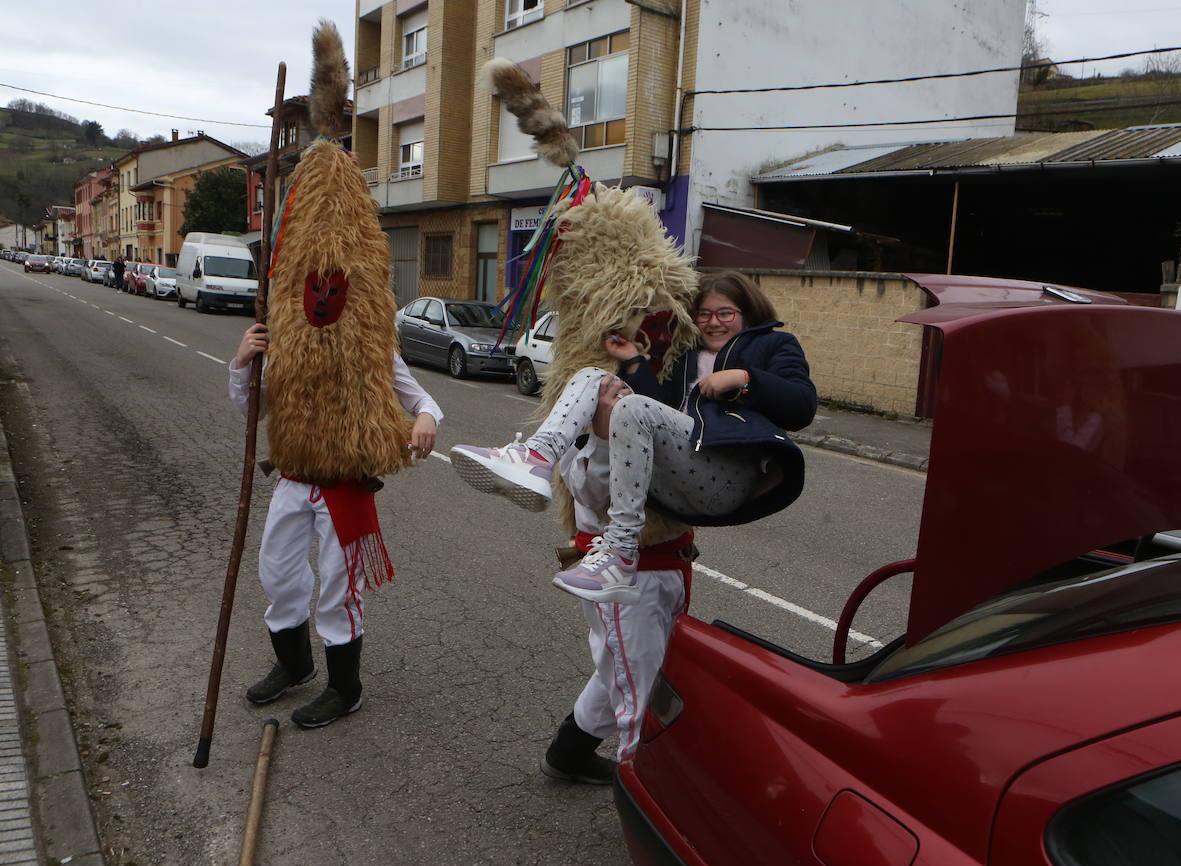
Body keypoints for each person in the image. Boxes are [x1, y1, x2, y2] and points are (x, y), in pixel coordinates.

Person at [452, 270, 816, 605]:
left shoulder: (773, 344)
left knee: (631, 408)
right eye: (704, 314)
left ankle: (621, 553)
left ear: (747, 312)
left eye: (725, 313)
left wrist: (744, 378)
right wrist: (631, 361)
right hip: (682, 467)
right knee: (597, 377)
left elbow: (802, 406)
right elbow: (658, 407)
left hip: (729, 474)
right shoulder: (689, 354)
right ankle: (537, 457)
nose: (713, 322)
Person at [229, 321, 441, 728]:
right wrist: (242, 362)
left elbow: (421, 399)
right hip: (293, 478)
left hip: (345, 490)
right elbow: (251, 412)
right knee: (277, 574)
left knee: (340, 589)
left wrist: (426, 418)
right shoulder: (285, 345)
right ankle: (295, 665)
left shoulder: (373, 347)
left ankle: (345, 691)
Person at [540, 375, 693, 783]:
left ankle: (568, 754)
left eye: (624, 387)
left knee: (623, 671)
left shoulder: (645, 426)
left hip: (664, 570)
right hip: (624, 581)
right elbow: (590, 494)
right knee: (640, 690)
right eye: (608, 392)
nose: (621, 394)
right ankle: (647, 792)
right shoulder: (585, 451)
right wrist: (606, 436)